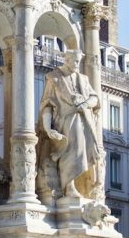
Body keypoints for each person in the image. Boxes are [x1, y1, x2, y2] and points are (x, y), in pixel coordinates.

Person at [38, 49, 102, 198]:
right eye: (75, 61)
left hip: (84, 120)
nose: (77, 64)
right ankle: (69, 186)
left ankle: (77, 186)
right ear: (67, 60)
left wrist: (85, 104)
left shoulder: (83, 79)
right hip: (65, 120)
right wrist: (47, 128)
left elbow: (95, 98)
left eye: (79, 61)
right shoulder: (54, 78)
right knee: (72, 149)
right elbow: (47, 104)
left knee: (81, 151)